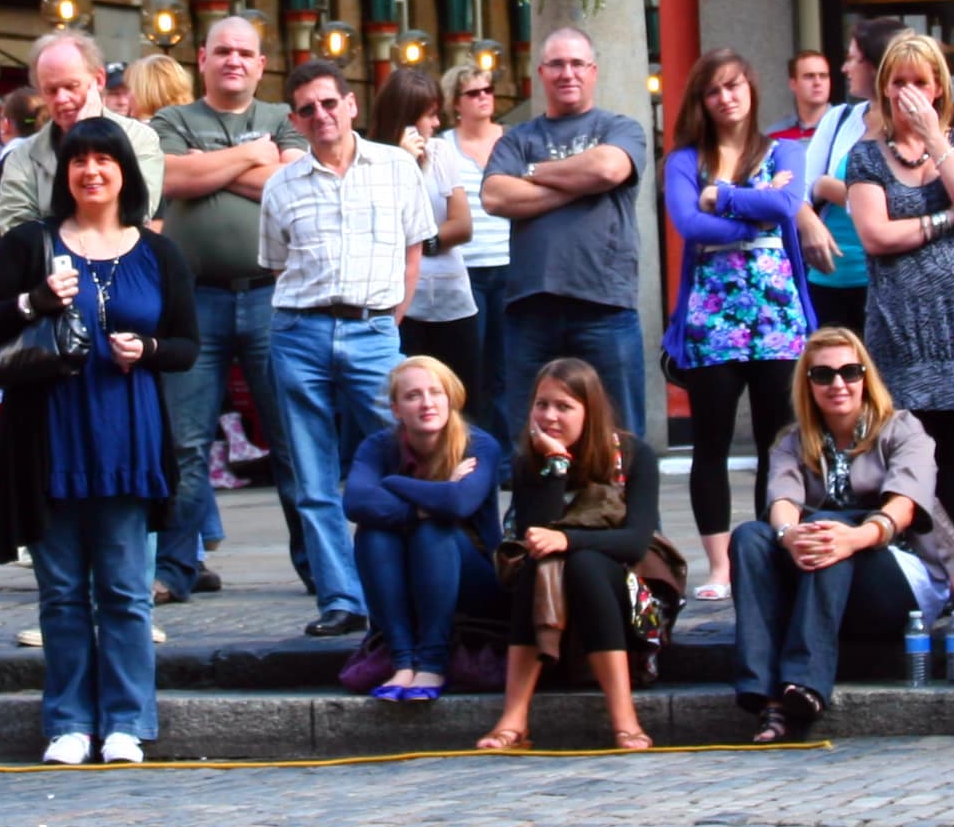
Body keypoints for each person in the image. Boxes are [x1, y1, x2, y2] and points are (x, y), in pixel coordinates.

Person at [0, 117, 194, 765]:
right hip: (48, 438)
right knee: (61, 593)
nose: (91, 170)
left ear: (126, 172)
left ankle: (126, 720)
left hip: (128, 437)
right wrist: (32, 302)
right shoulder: (28, 243)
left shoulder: (158, 253)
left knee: (125, 591)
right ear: (64, 174)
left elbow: (186, 346)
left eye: (104, 160)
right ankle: (68, 721)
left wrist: (147, 349)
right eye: (79, 161)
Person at [258, 56, 429, 638]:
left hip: (374, 329)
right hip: (298, 332)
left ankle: (416, 578)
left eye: (330, 103)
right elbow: (277, 266)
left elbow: (414, 251)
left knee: (411, 453)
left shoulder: (398, 167)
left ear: (351, 104)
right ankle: (340, 599)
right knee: (310, 476)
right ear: (295, 121)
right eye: (307, 109)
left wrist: (388, 322)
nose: (321, 115)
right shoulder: (279, 186)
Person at [725, 328, 954, 745]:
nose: (838, 384)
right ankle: (766, 698)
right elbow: (782, 498)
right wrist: (788, 533)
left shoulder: (903, 430)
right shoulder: (791, 442)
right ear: (807, 384)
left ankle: (807, 683)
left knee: (835, 530)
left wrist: (857, 536)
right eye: (823, 375)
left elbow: (903, 506)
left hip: (896, 573)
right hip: (823, 572)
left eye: (850, 371)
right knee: (750, 537)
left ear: (866, 376)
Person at [844, 30, 954, 584]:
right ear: (884, 89)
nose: (909, 92)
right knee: (909, 455)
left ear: (938, 89)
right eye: (899, 81)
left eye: (920, 81)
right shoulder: (865, 156)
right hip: (899, 327)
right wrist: (945, 218)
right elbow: (877, 235)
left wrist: (937, 141)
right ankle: (916, 576)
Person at [151, 14, 298, 607]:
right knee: (185, 443)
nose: (233, 60)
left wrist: (211, 167)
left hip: (271, 295)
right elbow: (170, 177)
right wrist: (248, 159)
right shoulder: (172, 120)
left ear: (261, 65)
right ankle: (174, 568)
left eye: (245, 52)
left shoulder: (284, 120)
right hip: (194, 301)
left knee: (291, 439)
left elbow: (289, 183)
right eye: (222, 51)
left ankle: (319, 569)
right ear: (202, 60)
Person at [662, 48, 819, 604]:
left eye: (735, 87)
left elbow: (789, 205)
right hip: (710, 320)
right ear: (701, 101)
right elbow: (686, 221)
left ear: (752, 91)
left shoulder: (786, 151)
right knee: (711, 444)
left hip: (777, 316)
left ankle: (765, 553)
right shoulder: (684, 160)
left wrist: (724, 199)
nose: (727, 98)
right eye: (714, 90)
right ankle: (721, 566)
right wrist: (754, 212)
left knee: (778, 441)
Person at [479, 27, 653, 485]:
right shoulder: (517, 138)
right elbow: (496, 196)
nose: (567, 72)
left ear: (593, 72)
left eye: (577, 63)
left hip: (605, 306)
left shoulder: (621, 128)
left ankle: (636, 541)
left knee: (622, 435)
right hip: (529, 309)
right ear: (540, 74)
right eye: (556, 64)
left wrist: (534, 175)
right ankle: (534, 537)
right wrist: (580, 188)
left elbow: (609, 167)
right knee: (530, 439)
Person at [476, 356, 659, 752]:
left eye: (564, 406)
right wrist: (556, 464)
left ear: (589, 411)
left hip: (626, 589)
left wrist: (570, 541)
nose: (550, 416)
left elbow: (635, 542)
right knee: (537, 566)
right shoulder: (530, 462)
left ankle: (625, 719)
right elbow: (536, 537)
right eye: (542, 405)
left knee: (585, 564)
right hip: (547, 587)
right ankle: (514, 716)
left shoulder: (634, 455)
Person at [345, 354, 500, 701]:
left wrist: (393, 483)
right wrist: (434, 497)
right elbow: (355, 502)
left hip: (474, 577)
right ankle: (402, 662)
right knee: (373, 533)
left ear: (451, 398)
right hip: (405, 574)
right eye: (413, 395)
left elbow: (459, 504)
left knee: (435, 530)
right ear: (396, 409)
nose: (427, 403)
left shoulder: (479, 444)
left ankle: (431, 663)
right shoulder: (378, 446)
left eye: (436, 392)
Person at [0, 31, 166, 243]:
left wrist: (89, 132)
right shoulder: (22, 158)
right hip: (52, 273)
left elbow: (136, 211)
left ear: (98, 80)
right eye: (51, 90)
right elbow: (18, 236)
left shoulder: (140, 138)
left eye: (71, 87)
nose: (62, 98)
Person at [377, 65, 481, 398]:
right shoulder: (376, 161)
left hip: (452, 300)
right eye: (431, 115)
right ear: (406, 119)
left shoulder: (441, 152)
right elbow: (381, 226)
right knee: (406, 398)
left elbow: (462, 225)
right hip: (402, 304)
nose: (437, 124)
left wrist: (420, 243)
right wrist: (403, 164)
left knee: (460, 397)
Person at [797, 22, 888, 337]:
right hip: (830, 279)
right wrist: (809, 225)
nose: (845, 68)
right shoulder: (839, 119)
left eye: (853, 59)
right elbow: (799, 191)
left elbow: (901, 202)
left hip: (886, 282)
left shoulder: (911, 125)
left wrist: (828, 186)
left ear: (877, 65)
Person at [446, 60, 516, 380]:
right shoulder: (442, 146)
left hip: (510, 263)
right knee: (469, 365)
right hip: (464, 266)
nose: (483, 97)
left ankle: (504, 432)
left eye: (487, 89)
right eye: (473, 93)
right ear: (455, 103)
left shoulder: (513, 141)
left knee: (506, 364)